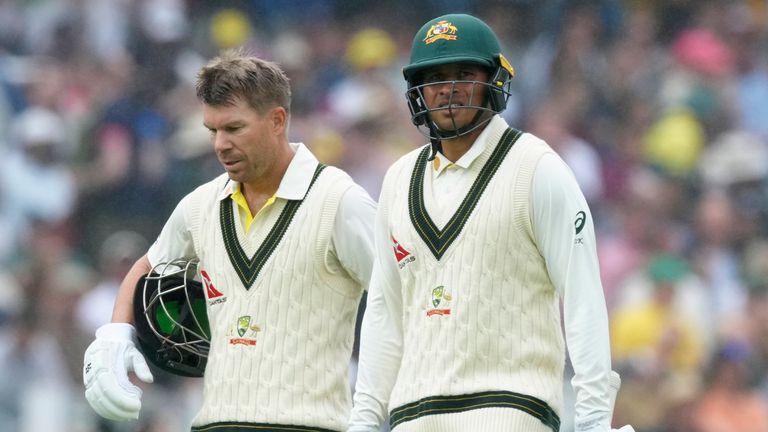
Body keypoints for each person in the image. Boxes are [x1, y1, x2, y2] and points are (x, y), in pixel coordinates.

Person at [348, 14, 632, 432]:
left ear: (495, 80)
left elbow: (583, 298)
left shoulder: (536, 168)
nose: (448, 89)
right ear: (417, 90)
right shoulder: (398, 180)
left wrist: (592, 421)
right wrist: (365, 421)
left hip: (510, 409)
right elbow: (383, 314)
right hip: (412, 415)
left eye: (465, 73)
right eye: (436, 76)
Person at [82, 48, 376, 431]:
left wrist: (373, 411)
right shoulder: (200, 205)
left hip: (309, 424)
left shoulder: (340, 201)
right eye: (212, 130)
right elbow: (146, 267)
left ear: (277, 121)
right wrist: (115, 334)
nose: (220, 144)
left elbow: (397, 300)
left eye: (234, 128)